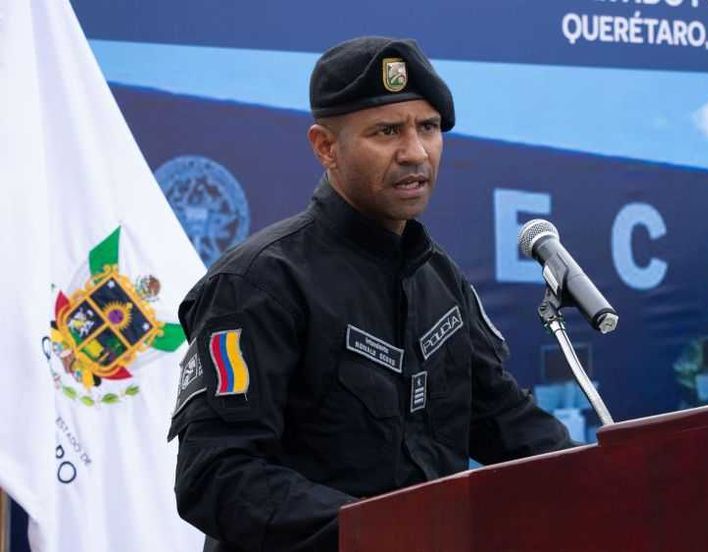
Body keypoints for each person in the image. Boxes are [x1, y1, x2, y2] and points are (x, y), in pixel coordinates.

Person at [167, 36, 574, 552]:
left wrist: (613, 477)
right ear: (325, 147)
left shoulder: (440, 280)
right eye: (387, 131)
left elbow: (507, 424)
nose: (415, 152)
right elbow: (216, 475)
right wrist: (382, 531)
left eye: (428, 127)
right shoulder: (257, 283)